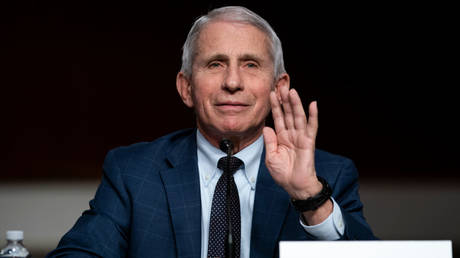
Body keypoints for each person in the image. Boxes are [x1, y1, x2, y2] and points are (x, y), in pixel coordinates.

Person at [48, 6, 376, 258]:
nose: (232, 82)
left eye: (250, 64)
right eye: (215, 64)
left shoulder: (329, 175)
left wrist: (310, 197)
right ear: (186, 87)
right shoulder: (133, 173)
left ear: (279, 87)